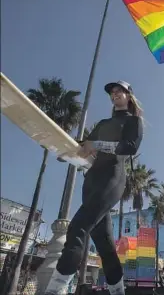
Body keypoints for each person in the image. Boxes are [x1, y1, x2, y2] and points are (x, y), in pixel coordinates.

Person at [44, 80, 143, 295]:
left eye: (120, 91)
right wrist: (62, 148)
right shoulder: (102, 124)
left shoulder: (133, 121)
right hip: (91, 182)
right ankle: (118, 291)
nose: (115, 94)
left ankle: (55, 289)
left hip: (112, 180)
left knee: (77, 227)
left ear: (129, 96)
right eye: (112, 92)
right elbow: (84, 148)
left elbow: (130, 147)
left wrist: (95, 145)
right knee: (104, 245)